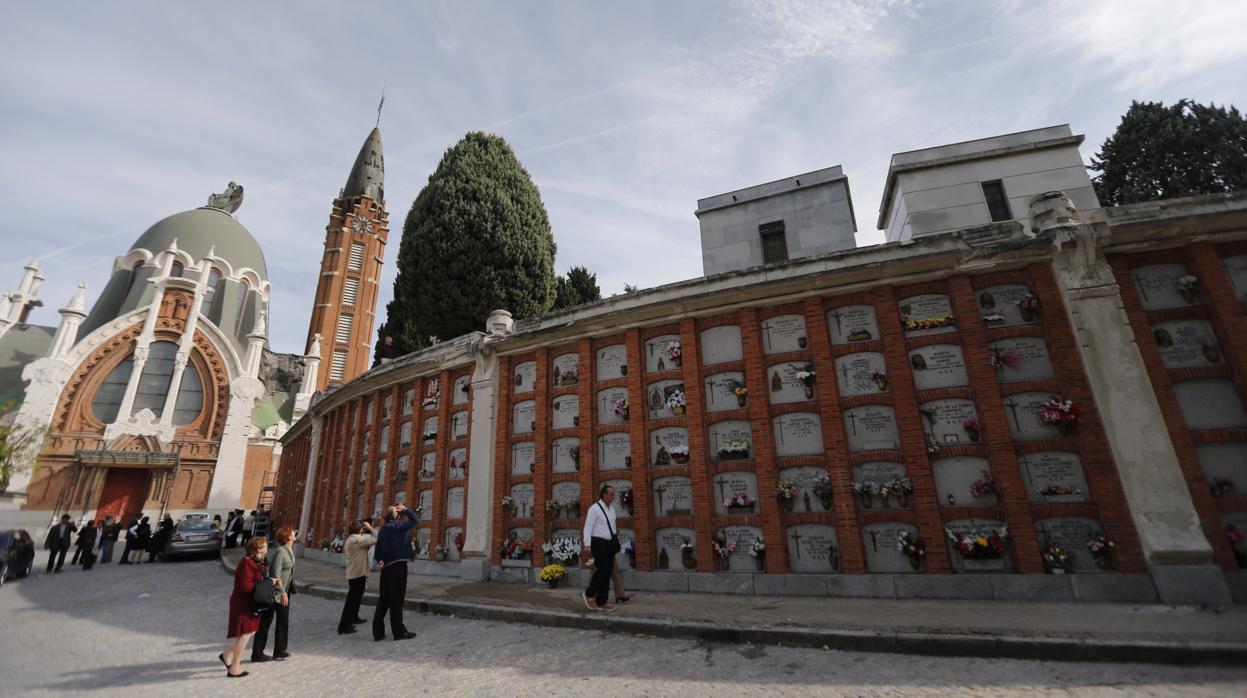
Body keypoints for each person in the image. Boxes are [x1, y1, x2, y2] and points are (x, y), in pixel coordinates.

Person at [221, 535, 280, 678]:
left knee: (250, 632)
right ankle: (234, 667)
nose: (267, 547)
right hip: (243, 603)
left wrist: (271, 582)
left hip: (252, 602)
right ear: (257, 548)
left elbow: (260, 581)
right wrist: (269, 583)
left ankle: (226, 655)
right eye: (265, 545)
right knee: (246, 633)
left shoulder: (259, 562)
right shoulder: (247, 563)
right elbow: (245, 587)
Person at [372, 504, 418, 641]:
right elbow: (415, 520)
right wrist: (405, 510)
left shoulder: (382, 530)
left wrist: (380, 560)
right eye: (397, 512)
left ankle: (378, 632)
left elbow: (377, 551)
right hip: (398, 568)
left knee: (384, 600)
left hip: (386, 569)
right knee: (397, 600)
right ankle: (399, 632)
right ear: (396, 516)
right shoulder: (397, 527)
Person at [253, 527, 296, 662]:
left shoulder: (289, 550)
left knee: (283, 621)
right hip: (275, 592)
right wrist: (282, 592)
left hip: (285, 590)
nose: (295, 534)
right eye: (293, 533)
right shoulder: (280, 552)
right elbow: (275, 574)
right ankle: (257, 653)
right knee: (266, 622)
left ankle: (280, 650)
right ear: (288, 537)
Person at [581, 484, 619, 612]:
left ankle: (602, 601)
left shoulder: (611, 509)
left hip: (609, 544)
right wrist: (587, 544)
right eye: (611, 494)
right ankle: (589, 594)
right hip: (598, 543)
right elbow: (588, 526)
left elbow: (613, 527)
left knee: (607, 572)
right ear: (604, 494)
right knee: (602, 570)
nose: (613, 496)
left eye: (613, 494)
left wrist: (615, 540)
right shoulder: (594, 509)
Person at [338, 520, 376, 634]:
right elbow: (376, 539)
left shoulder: (351, 539)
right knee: (352, 600)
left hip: (355, 573)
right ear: (360, 529)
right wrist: (371, 528)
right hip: (357, 574)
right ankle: (344, 626)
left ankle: (354, 617)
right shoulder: (357, 539)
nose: (364, 530)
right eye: (362, 528)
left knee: (356, 598)